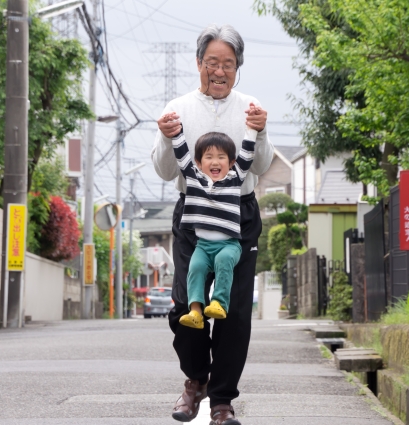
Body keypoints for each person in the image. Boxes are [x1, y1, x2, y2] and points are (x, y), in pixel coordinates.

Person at [152, 24, 273, 425]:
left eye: (228, 64)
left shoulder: (250, 106)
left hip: (239, 216)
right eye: (212, 63)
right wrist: (167, 137)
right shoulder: (179, 107)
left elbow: (262, 165)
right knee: (186, 307)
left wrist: (262, 129)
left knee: (234, 314)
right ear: (199, 63)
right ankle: (195, 380)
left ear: (238, 67)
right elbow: (166, 171)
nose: (219, 72)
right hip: (192, 215)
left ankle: (221, 401)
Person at [171, 116, 259, 330]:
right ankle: (196, 312)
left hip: (229, 244)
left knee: (224, 262)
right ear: (199, 163)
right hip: (202, 245)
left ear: (231, 163)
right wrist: (176, 133)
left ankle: (219, 302)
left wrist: (252, 130)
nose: (215, 161)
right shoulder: (193, 179)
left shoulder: (234, 179)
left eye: (221, 157)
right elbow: (182, 155)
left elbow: (247, 153)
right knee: (195, 268)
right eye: (208, 157)